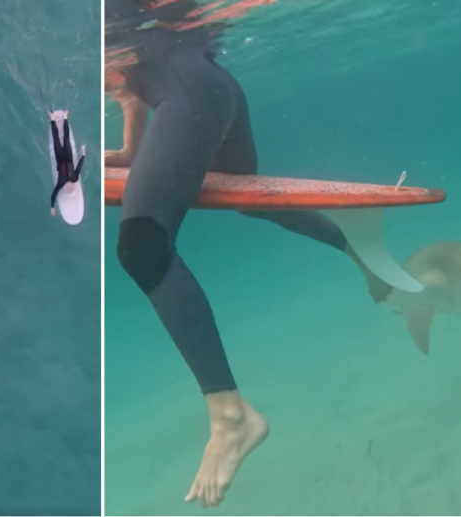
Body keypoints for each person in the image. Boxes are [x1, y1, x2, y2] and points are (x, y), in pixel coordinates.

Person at [105, 0, 393, 508]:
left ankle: (231, 417)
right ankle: (357, 252)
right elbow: (127, 87)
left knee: (143, 247)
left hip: (190, 95)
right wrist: (131, 154)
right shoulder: (112, 31)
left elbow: (126, 71)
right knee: (251, 201)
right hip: (214, 88)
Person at [50, 111, 87, 216]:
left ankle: (52, 119)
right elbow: (79, 167)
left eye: (69, 188)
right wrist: (83, 156)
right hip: (68, 155)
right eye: (72, 188)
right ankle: (65, 117)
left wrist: (52, 207)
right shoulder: (74, 179)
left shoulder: (60, 183)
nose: (71, 186)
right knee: (66, 137)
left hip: (59, 157)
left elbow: (53, 194)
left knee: (56, 139)